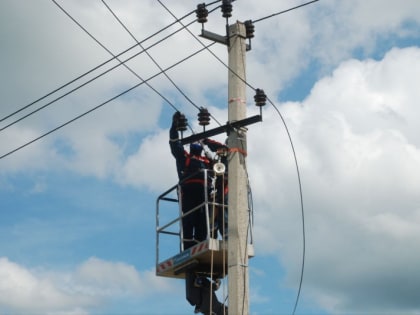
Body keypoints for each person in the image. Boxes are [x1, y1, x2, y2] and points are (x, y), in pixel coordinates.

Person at [169, 112, 228, 315]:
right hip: (192, 199)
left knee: (199, 231)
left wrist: (203, 139)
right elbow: (175, 145)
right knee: (191, 231)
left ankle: (200, 271)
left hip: (201, 200)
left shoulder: (203, 160)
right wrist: (174, 126)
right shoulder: (188, 159)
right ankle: (196, 268)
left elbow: (223, 151)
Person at [169, 112, 212, 250]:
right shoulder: (185, 157)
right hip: (188, 193)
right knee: (188, 219)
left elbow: (221, 159)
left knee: (203, 220)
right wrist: (174, 126)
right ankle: (188, 247)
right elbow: (175, 145)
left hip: (203, 194)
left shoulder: (208, 160)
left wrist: (207, 141)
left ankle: (201, 243)